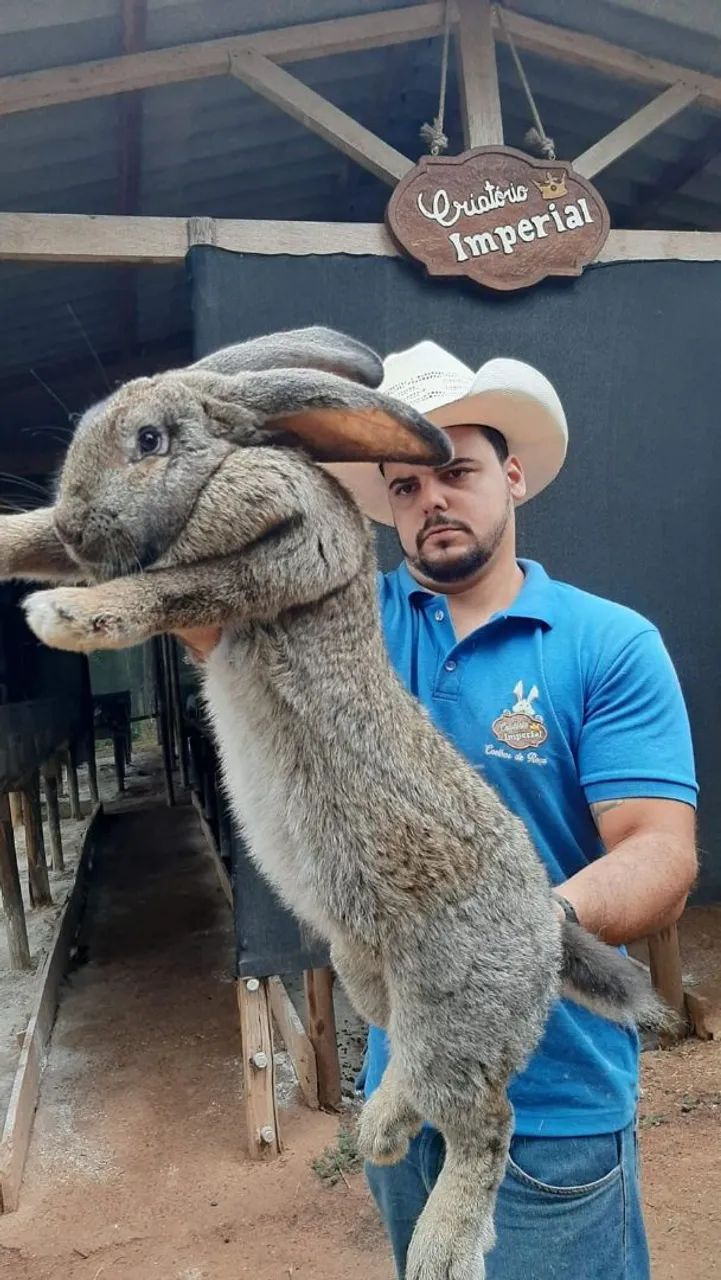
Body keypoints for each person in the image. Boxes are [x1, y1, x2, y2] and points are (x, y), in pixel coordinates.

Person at [177, 339, 698, 1280]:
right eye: (405, 489)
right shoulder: (340, 621)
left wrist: (523, 930)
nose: (431, 503)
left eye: (454, 473)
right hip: (402, 1086)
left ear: (513, 476)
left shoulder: (606, 643)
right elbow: (201, 610)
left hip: (558, 1104)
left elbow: (658, 851)